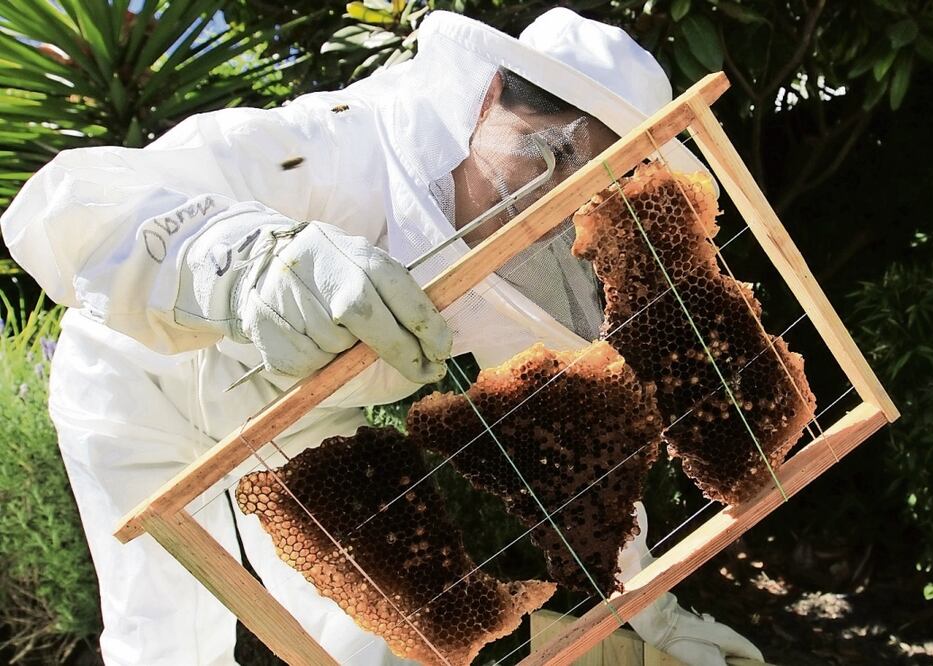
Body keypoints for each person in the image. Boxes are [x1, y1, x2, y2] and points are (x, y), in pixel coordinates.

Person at [1, 8, 763, 666]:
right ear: (490, 95)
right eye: (549, 151)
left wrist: (654, 614)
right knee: (160, 636)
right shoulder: (327, 148)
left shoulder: (534, 273)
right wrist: (247, 262)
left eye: (587, 182)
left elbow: (583, 460)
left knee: (372, 642)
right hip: (132, 388)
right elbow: (67, 206)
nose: (550, 198)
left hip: (302, 429)